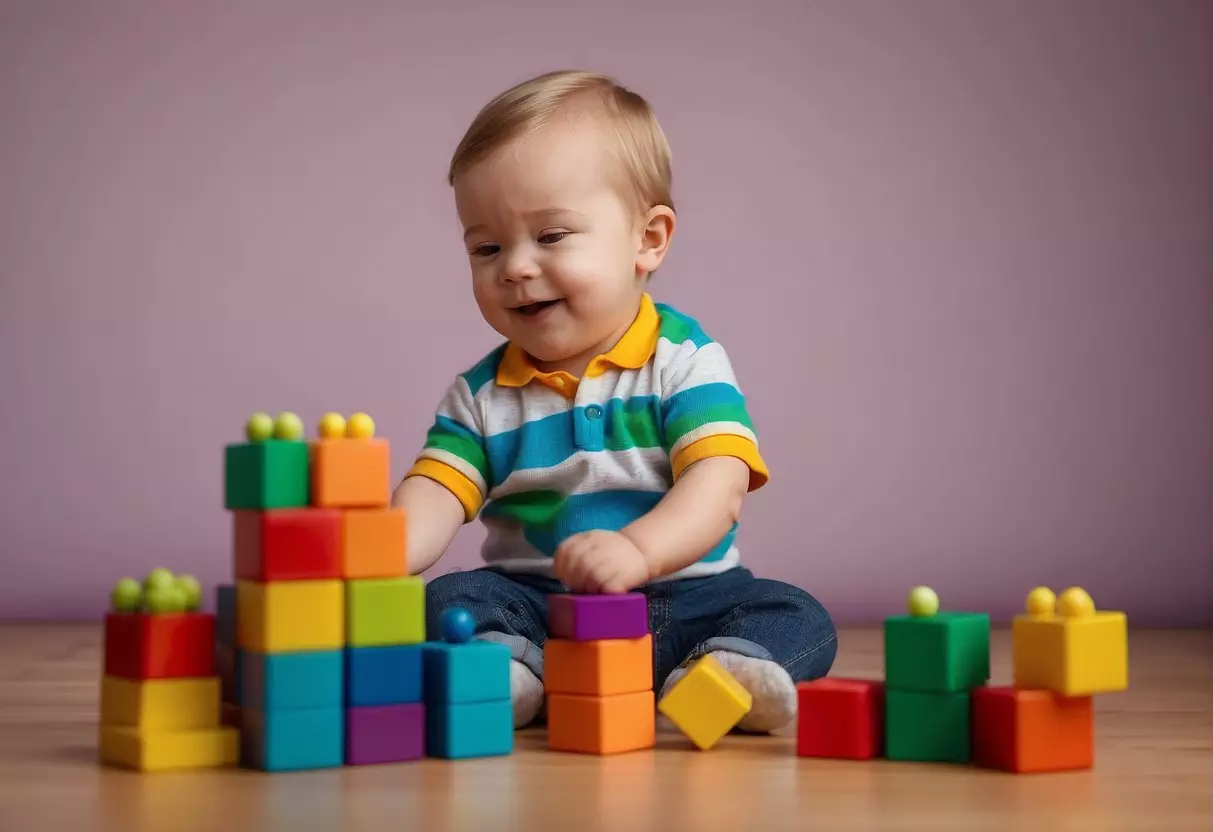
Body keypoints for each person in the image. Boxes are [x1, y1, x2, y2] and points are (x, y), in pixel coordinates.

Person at [391, 69, 837, 733]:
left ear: (646, 240)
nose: (513, 267)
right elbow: (435, 489)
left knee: (797, 614)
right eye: (486, 246)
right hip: (543, 606)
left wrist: (638, 550)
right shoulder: (481, 395)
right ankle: (512, 670)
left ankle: (720, 672)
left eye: (549, 237)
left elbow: (719, 486)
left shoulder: (681, 361)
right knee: (454, 596)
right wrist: (375, 550)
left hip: (688, 597)